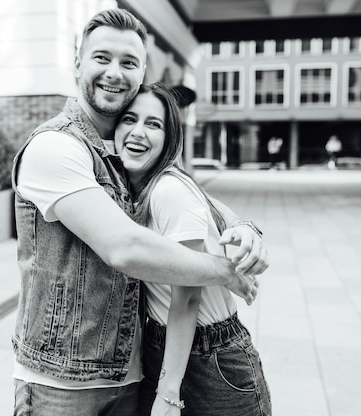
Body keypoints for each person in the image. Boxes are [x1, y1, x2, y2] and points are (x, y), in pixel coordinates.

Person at [10, 9, 269, 415]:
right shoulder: (55, 147)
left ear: (141, 71)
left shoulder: (118, 153)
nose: (115, 72)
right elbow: (124, 248)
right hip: (63, 383)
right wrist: (224, 270)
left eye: (128, 62)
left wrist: (243, 225)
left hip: (131, 373)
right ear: (77, 63)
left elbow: (182, 191)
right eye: (102, 57)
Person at [114, 82, 271, 416]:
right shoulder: (139, 188)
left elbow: (187, 297)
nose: (137, 132)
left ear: (169, 137)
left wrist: (168, 393)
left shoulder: (168, 190)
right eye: (129, 119)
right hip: (166, 346)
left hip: (211, 358)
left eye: (153, 124)